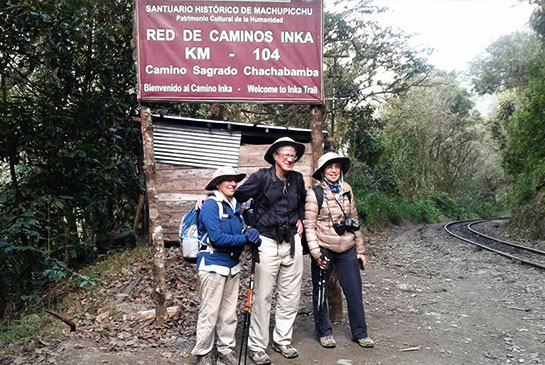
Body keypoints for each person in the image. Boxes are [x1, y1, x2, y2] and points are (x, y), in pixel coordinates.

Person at [233, 137, 307, 365]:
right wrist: (247, 223)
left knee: (290, 295)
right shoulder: (261, 178)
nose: (289, 158)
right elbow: (236, 198)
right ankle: (257, 346)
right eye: (285, 154)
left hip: (292, 242)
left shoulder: (298, 179)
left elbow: (302, 202)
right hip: (266, 242)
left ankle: (282, 340)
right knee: (262, 297)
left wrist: (301, 219)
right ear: (275, 156)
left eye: (293, 155)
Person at [191, 166, 262, 365]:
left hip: (232, 266)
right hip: (213, 265)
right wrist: (244, 239)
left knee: (229, 313)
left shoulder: (234, 205)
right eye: (227, 180)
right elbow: (217, 238)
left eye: (234, 180)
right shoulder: (211, 205)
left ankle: (225, 350)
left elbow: (240, 229)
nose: (232, 183)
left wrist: (250, 232)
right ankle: (203, 353)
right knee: (210, 311)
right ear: (217, 184)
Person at [304, 152, 374, 350]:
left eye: (337, 167)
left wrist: (361, 250)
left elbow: (355, 221)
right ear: (322, 171)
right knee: (321, 292)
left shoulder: (347, 190)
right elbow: (309, 225)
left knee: (354, 291)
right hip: (324, 248)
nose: (334, 170)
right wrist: (316, 253)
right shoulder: (315, 194)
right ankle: (324, 332)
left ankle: (360, 333)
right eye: (329, 167)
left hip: (347, 248)